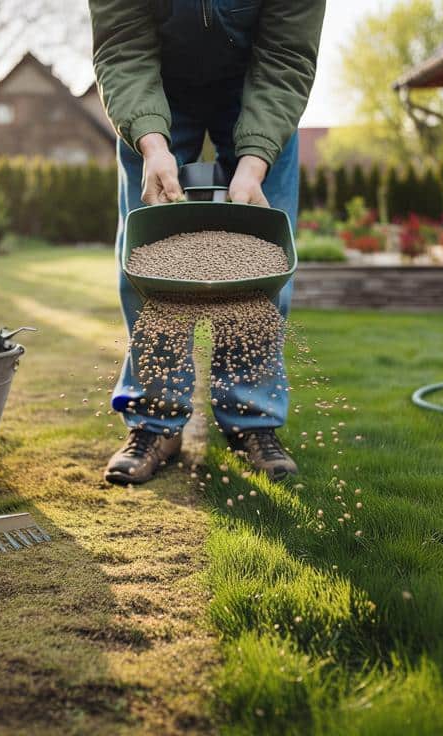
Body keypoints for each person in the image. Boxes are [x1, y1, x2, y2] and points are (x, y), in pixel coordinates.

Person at [89, 0, 325, 484]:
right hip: (154, 87)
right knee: (146, 264)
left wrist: (255, 161)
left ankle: (251, 421)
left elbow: (286, 55)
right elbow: (122, 44)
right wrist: (153, 145)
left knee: (265, 268)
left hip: (258, 87)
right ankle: (156, 423)